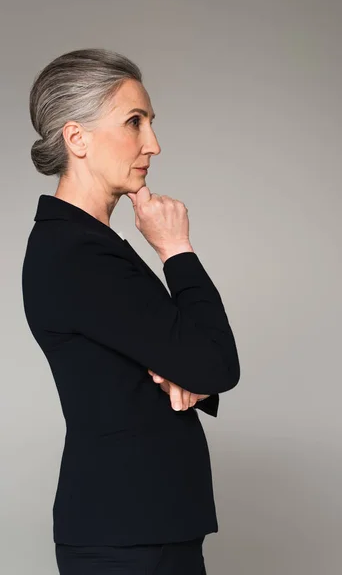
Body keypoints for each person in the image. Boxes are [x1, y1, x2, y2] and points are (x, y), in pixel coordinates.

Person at [22, 48, 240, 574]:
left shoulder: (87, 246)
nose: (154, 145)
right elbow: (216, 363)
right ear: (77, 139)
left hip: (142, 528)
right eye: (134, 123)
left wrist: (187, 371)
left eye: (151, 123)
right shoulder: (77, 253)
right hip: (128, 538)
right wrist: (176, 249)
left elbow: (196, 366)